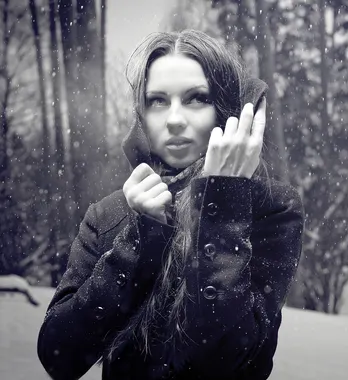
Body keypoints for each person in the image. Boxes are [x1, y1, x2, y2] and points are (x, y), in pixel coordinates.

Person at [37, 29, 304, 380]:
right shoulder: (109, 214)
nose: (174, 119)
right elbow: (60, 357)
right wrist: (140, 238)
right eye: (158, 101)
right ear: (141, 115)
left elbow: (225, 360)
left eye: (196, 98)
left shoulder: (271, 209)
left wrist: (223, 200)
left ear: (227, 112)